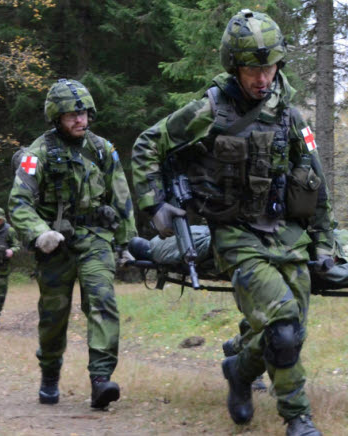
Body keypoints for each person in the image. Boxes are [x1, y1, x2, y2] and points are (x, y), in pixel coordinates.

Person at [131, 9, 336, 435]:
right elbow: (149, 143)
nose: (261, 78)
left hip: (287, 235)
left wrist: (325, 242)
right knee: (280, 328)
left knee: (289, 334)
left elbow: (315, 183)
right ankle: (298, 419)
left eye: (268, 67)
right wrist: (155, 205)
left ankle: (239, 370)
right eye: (251, 69)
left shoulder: (291, 117)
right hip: (236, 235)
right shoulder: (211, 109)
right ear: (234, 66)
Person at [8, 78, 137, 408]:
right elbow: (19, 202)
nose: (80, 121)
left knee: (102, 300)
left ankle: (101, 380)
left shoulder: (102, 150)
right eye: (71, 116)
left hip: (95, 239)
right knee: (54, 315)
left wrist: (125, 244)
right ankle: (50, 372)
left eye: (84, 114)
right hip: (56, 244)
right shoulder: (37, 154)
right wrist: (39, 233)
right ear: (56, 118)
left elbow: (121, 197)